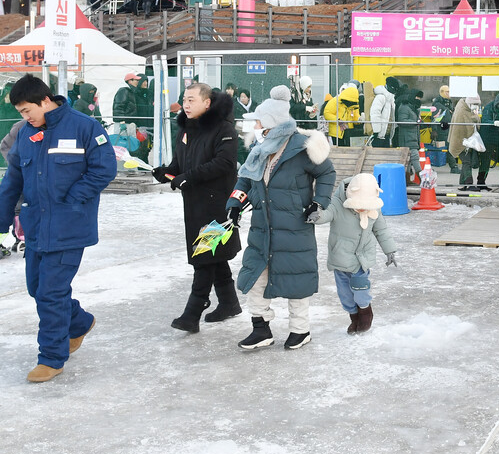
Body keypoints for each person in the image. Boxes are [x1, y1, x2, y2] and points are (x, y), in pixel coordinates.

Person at [0, 75, 117, 382]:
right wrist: (0, 222)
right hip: (36, 227)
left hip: (69, 227)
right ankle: (79, 322)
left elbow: (105, 168)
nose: (25, 117)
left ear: (44, 101)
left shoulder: (84, 126)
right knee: (38, 288)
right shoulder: (25, 134)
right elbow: (12, 181)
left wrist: (75, 198)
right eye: (21, 112)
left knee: (50, 292)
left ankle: (52, 357)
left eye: (26, 110)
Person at [227, 86, 337, 350]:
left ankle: (300, 330)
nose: (255, 126)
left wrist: (317, 203)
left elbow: (327, 174)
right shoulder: (260, 148)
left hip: (294, 226)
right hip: (262, 227)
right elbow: (245, 179)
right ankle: (261, 329)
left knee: (295, 278)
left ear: (273, 124)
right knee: (255, 277)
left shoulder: (301, 148)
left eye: (259, 122)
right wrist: (234, 204)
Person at [153, 83, 242, 332]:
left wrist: (189, 176)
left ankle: (192, 313)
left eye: (192, 100)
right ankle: (229, 303)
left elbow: (224, 163)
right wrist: (167, 172)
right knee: (213, 255)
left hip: (217, 206)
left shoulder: (224, 129)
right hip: (194, 204)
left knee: (204, 257)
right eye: (184, 99)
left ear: (207, 103)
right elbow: (180, 164)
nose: (186, 104)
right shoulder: (186, 130)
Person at [315, 173, 397, 334]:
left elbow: (381, 230)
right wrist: (316, 215)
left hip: (362, 259)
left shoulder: (374, 206)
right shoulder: (337, 203)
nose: (362, 209)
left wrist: (390, 250)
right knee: (345, 295)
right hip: (341, 258)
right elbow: (326, 214)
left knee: (361, 291)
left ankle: (366, 312)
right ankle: (353, 316)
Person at [449, 94, 483, 191]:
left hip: (463, 141)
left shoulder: (464, 108)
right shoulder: (463, 111)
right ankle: (469, 183)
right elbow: (470, 126)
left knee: (465, 162)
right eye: (474, 104)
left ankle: (462, 184)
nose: (475, 106)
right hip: (462, 141)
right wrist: (476, 118)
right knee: (467, 161)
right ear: (470, 102)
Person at [370, 83, 396, 147]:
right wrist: (376, 131)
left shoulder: (391, 99)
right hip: (379, 135)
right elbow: (375, 114)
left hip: (386, 134)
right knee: (376, 155)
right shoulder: (381, 97)